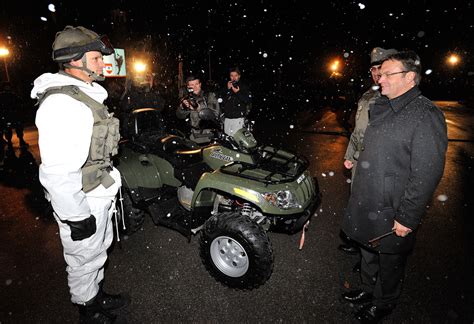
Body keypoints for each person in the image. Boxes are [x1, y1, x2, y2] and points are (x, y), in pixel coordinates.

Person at [30, 25, 129, 323]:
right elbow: (58, 172)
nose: (103, 63)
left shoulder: (83, 95)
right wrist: (76, 216)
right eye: (96, 58)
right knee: (83, 258)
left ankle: (95, 294)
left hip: (97, 193)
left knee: (97, 252)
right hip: (82, 201)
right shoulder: (63, 104)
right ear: (75, 60)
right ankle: (88, 309)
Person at [340, 51, 448, 323]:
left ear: (410, 77)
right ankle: (367, 288)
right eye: (380, 73)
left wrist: (407, 217)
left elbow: (426, 173)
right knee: (367, 248)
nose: (381, 79)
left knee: (390, 259)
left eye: (389, 74)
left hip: (392, 204)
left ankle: (384, 302)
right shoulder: (381, 105)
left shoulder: (425, 114)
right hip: (367, 196)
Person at [338, 48, 398, 261]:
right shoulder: (369, 94)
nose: (375, 73)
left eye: (380, 68)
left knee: (375, 213)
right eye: (373, 69)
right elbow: (358, 130)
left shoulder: (393, 97)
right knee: (357, 204)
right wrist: (349, 155)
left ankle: (371, 259)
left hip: (377, 164)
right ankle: (359, 244)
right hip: (359, 161)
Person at [176, 75, 220, 144]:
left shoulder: (209, 96)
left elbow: (215, 114)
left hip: (210, 136)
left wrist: (198, 108)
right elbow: (179, 115)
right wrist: (183, 107)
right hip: (194, 136)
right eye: (192, 85)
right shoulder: (186, 98)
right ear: (188, 87)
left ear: (200, 84)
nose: (195, 87)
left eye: (196, 84)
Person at [220, 67, 252, 136]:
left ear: (239, 76)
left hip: (238, 118)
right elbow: (221, 100)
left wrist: (238, 92)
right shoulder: (227, 87)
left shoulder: (243, 87)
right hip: (227, 118)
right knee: (228, 138)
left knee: (237, 138)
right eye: (232, 76)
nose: (234, 78)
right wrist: (227, 89)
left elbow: (247, 100)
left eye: (235, 75)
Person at [0, 82, 29, 148]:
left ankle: (21, 140)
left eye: (8, 86)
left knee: (19, 128)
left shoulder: (13, 95)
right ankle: (9, 142)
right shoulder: (2, 95)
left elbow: (20, 102)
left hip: (14, 115)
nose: (7, 88)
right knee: (7, 129)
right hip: (6, 115)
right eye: (6, 86)